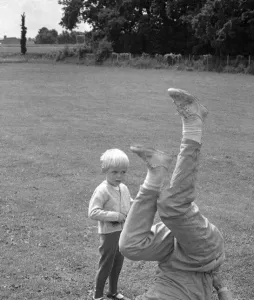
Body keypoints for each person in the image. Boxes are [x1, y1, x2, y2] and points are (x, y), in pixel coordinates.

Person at [119, 88, 233, 300]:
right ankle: (193, 124)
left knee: (129, 247)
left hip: (172, 259)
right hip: (204, 257)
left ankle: (156, 172)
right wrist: (222, 288)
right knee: (172, 206)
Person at [89, 149, 132, 300]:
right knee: (106, 264)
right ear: (104, 170)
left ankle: (113, 292)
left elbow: (129, 203)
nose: (119, 176)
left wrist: (140, 204)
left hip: (123, 233)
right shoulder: (102, 190)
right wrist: (115, 216)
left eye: (123, 172)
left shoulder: (124, 188)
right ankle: (98, 295)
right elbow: (93, 212)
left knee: (118, 263)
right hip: (109, 234)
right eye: (114, 172)